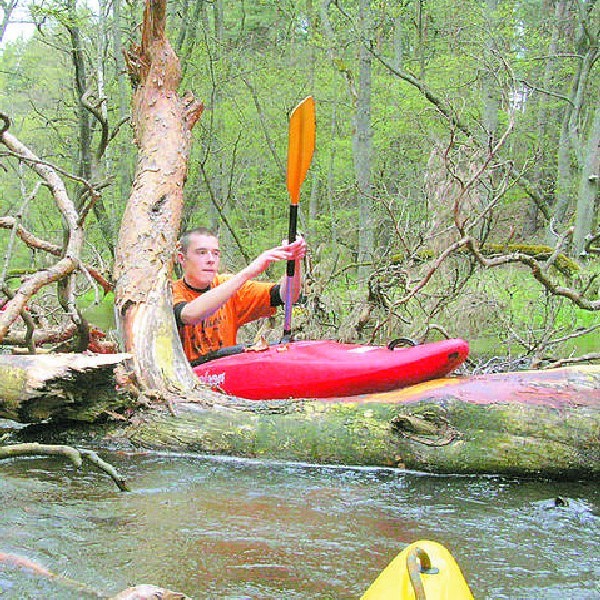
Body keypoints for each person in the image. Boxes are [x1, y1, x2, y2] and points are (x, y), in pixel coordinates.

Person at [173, 226, 306, 364]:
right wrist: (249, 272)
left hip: (226, 374)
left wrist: (294, 258)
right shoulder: (169, 291)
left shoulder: (228, 284)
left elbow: (286, 295)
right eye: (201, 253)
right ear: (182, 259)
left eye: (216, 253)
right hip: (186, 379)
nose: (211, 259)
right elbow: (188, 315)